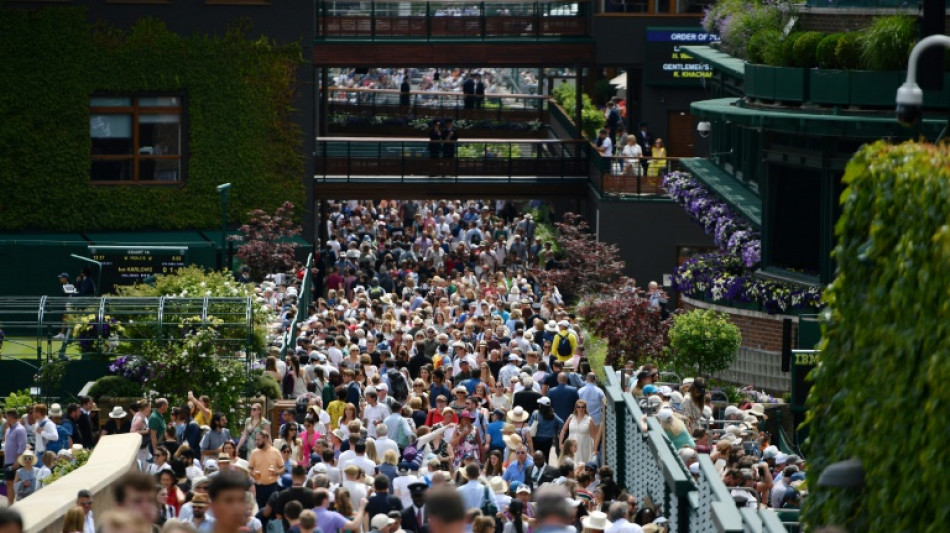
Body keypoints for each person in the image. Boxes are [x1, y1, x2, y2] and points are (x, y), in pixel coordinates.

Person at [248, 431, 284, 512]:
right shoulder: (254, 452)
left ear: (266, 439)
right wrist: (253, 474)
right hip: (259, 487)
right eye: (256, 440)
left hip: (272, 486)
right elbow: (250, 468)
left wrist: (276, 473)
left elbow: (282, 468)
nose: (256, 442)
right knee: (261, 510)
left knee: (273, 509)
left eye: (259, 440)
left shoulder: (275, 452)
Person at [560, 399, 596, 465]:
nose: (580, 409)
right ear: (576, 408)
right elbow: (563, 430)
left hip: (585, 446)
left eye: (582, 407)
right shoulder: (571, 417)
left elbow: (594, 436)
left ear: (585, 408)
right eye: (578, 407)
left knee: (583, 465)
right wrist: (561, 443)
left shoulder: (589, 419)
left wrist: (595, 449)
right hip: (572, 445)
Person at [4, 408, 27, 505]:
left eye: (7, 416)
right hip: (8, 460)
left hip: (16, 461)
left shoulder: (20, 429)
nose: (6, 418)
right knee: (8, 483)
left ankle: (17, 504)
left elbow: (22, 446)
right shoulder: (8, 429)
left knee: (16, 483)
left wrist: (17, 461)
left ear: (12, 416)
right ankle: (10, 504)